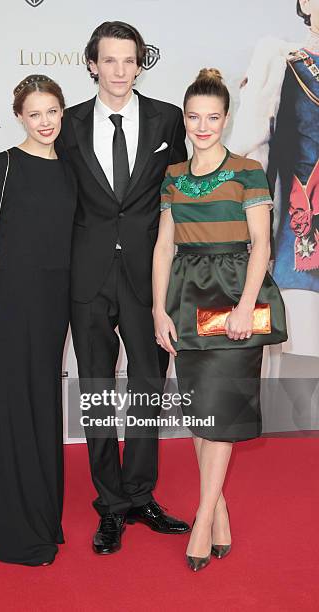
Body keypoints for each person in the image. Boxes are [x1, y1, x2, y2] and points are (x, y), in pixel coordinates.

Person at [58, 21, 190, 555]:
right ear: (92, 63)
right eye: (109, 60)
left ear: (141, 63)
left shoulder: (169, 119)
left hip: (146, 276)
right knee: (94, 391)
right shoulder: (65, 124)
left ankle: (139, 494)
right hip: (86, 276)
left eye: (129, 60)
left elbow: (184, 187)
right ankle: (109, 505)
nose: (119, 71)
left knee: (146, 389)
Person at [153, 69, 287, 571]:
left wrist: (244, 308)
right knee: (200, 410)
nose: (203, 126)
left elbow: (261, 247)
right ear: (185, 120)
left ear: (227, 119)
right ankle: (221, 512)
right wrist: (157, 308)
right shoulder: (172, 176)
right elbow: (164, 247)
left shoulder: (248, 170)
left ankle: (203, 518)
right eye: (194, 117)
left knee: (221, 409)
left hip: (234, 295)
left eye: (213, 117)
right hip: (186, 297)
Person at [0, 74, 76, 566]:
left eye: (52, 112)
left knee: (43, 399)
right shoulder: (1, 165)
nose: (44, 122)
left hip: (56, 301)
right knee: (9, 401)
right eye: (35, 113)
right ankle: (5, 522)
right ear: (20, 117)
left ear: (62, 113)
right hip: (10, 296)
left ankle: (42, 511)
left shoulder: (72, 171)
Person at [228, 0, 319, 359]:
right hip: (300, 236)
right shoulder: (281, 64)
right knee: (303, 367)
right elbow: (251, 152)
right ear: (306, 3)